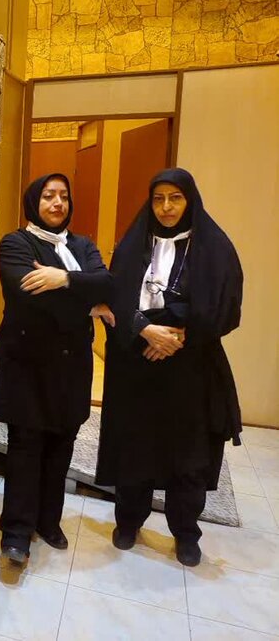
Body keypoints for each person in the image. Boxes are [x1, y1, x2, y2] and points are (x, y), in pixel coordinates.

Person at [95, 168, 243, 567]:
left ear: (189, 200)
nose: (165, 207)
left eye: (175, 198)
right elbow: (114, 299)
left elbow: (227, 308)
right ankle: (129, 521)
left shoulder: (215, 247)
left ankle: (185, 532)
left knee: (188, 453)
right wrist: (145, 330)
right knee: (135, 445)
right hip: (137, 363)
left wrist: (178, 337)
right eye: (158, 198)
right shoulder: (134, 244)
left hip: (190, 368)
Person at [0, 173, 113, 565]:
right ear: (34, 202)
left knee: (62, 443)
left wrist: (62, 278)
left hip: (71, 363)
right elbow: (27, 296)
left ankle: (48, 521)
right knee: (26, 446)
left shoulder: (82, 246)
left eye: (63, 196)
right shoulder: (16, 243)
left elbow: (106, 283)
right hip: (27, 362)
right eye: (48, 196)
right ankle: (16, 532)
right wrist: (88, 304)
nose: (57, 203)